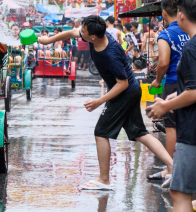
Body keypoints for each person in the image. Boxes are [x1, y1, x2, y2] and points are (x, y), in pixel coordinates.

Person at [38, 15, 173, 190]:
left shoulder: (109, 55)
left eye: (84, 31)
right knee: (140, 133)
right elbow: (72, 32)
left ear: (93, 36)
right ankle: (173, 167)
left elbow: (122, 83)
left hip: (124, 92)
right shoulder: (98, 35)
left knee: (101, 132)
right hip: (131, 91)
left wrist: (99, 101)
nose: (81, 32)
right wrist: (48, 40)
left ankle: (104, 179)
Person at [146, 0, 196, 212]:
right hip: (183, 98)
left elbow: (194, 91)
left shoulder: (187, 45)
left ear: (181, 15)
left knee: (180, 191)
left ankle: (171, 168)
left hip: (191, 127)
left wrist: (166, 104)